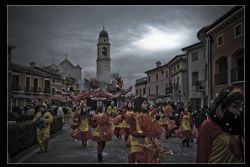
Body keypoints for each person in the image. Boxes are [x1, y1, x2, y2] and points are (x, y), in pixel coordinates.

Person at [196, 87, 244, 163]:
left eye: (242, 105)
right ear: (223, 106)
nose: (240, 109)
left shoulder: (240, 124)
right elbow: (201, 158)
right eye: (235, 106)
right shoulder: (207, 126)